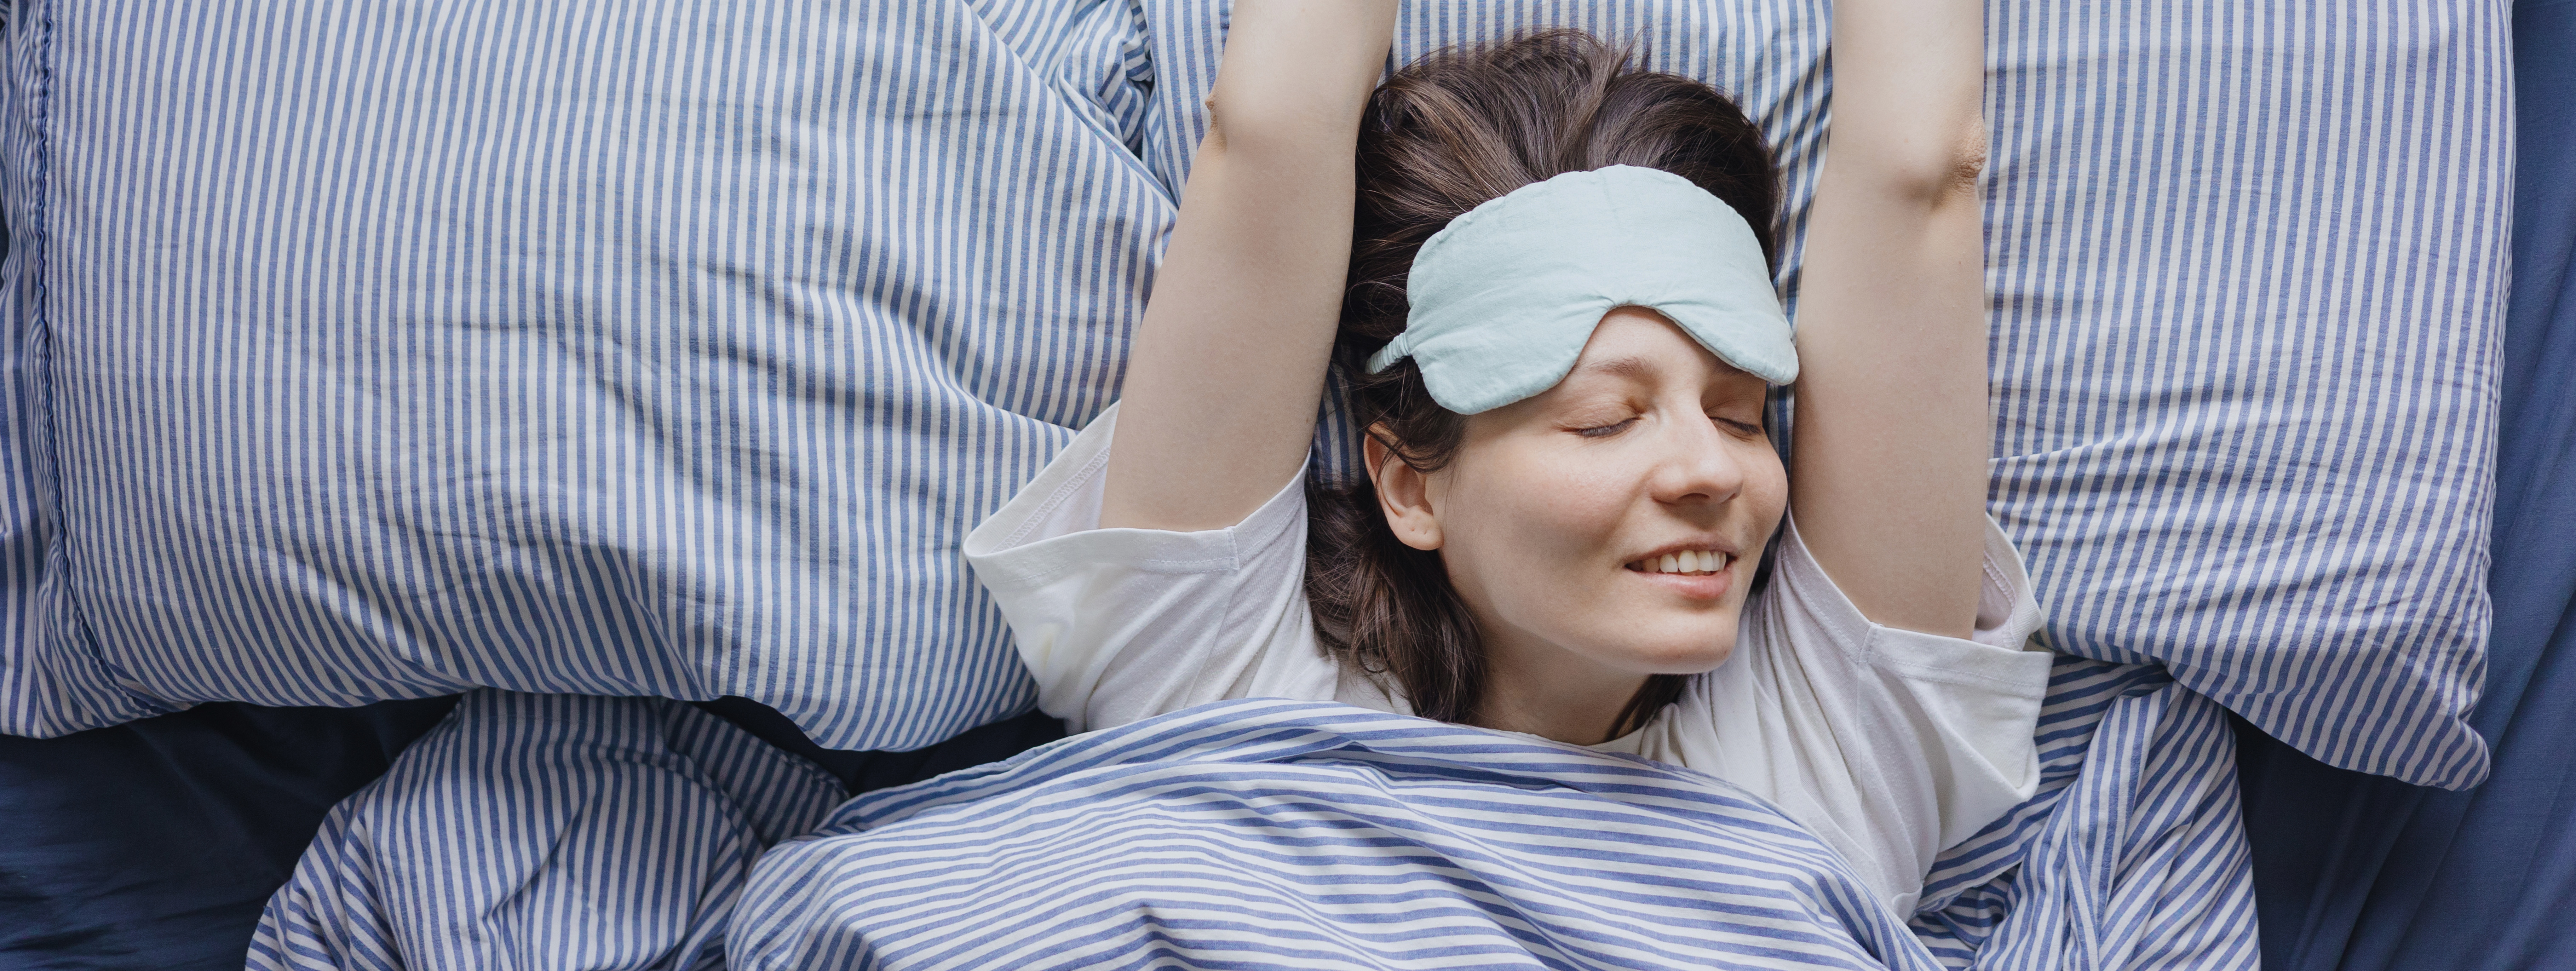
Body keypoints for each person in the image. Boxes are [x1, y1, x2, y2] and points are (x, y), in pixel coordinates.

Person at [962, 0, 2051, 919]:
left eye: (1738, 416)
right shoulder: (1227, 694)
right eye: (1605, 420)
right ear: (1409, 483)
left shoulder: (1829, 768)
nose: (1711, 472)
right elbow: (1272, 129)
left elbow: (1923, 176)